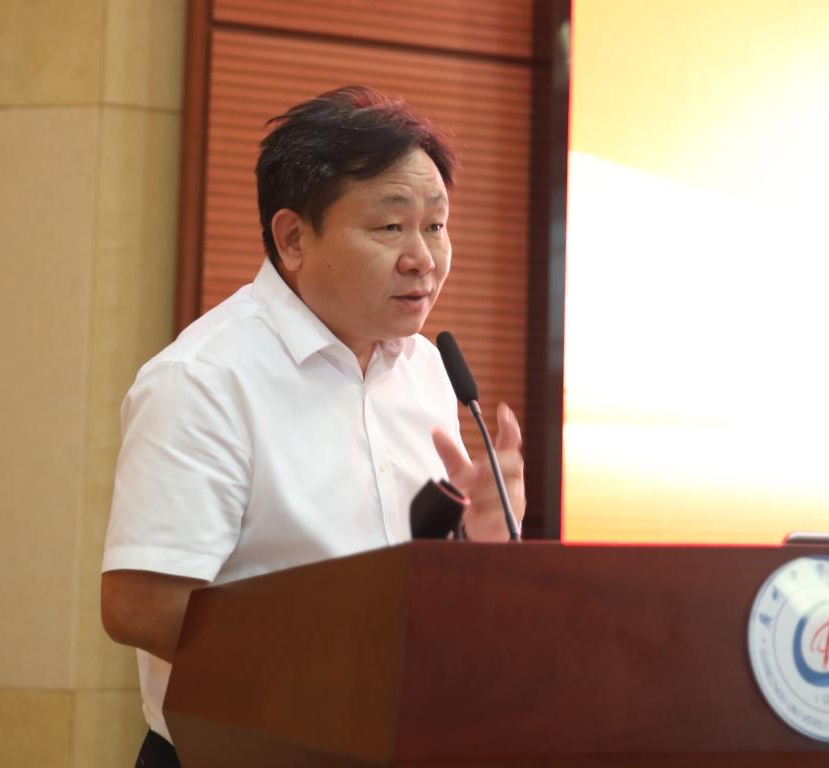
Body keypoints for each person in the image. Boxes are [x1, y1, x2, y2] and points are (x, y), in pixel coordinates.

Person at [100, 85, 526, 767]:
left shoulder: (426, 370)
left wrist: (480, 548)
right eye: (391, 227)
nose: (423, 257)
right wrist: (344, 659)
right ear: (294, 239)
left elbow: (415, 583)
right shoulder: (205, 378)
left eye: (436, 225)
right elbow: (140, 606)